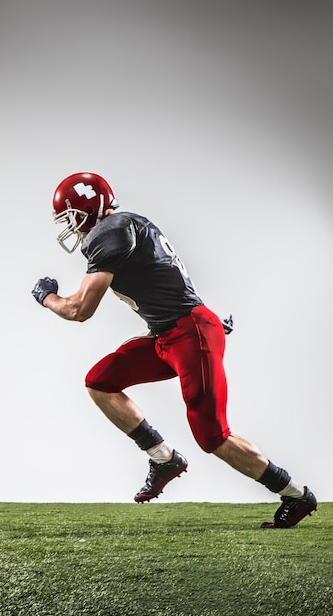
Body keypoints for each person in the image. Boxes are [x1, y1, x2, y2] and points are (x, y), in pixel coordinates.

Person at [31, 171, 317, 528]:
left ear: (89, 208)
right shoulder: (129, 225)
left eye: (72, 216)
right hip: (172, 334)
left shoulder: (110, 231)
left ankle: (295, 493)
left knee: (212, 436)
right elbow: (164, 279)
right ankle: (162, 457)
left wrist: (47, 298)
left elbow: (79, 310)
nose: (71, 228)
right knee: (99, 380)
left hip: (187, 334)